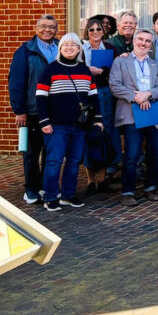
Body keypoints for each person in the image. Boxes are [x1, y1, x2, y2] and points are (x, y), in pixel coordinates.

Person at [36, 33, 102, 211]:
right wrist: (44, 122)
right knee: (54, 162)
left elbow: (93, 97)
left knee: (73, 162)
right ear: (60, 48)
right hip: (56, 126)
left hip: (79, 126)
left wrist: (98, 120)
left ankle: (68, 195)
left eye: (74, 45)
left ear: (79, 49)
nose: (69, 48)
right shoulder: (51, 69)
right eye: (66, 45)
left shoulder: (84, 70)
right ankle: (50, 197)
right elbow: (41, 97)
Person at [109, 30, 158, 207]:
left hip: (153, 112)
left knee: (157, 153)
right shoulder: (121, 61)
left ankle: (151, 187)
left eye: (147, 41)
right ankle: (128, 191)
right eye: (141, 39)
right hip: (131, 113)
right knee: (132, 154)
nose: (143, 43)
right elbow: (114, 85)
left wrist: (148, 94)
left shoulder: (156, 65)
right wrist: (136, 97)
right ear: (134, 41)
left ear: (151, 45)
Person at [9, 15, 60, 204]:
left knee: (51, 152)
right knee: (31, 153)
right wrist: (19, 110)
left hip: (56, 110)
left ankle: (47, 187)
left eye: (52, 27)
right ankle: (31, 189)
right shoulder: (25, 51)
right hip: (32, 110)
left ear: (56, 29)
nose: (48, 30)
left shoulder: (62, 47)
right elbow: (16, 82)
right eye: (44, 26)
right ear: (36, 27)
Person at [82, 17, 121, 188]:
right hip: (86, 93)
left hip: (105, 93)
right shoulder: (81, 48)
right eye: (92, 29)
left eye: (99, 29)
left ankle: (103, 178)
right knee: (89, 131)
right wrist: (87, 70)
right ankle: (90, 178)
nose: (96, 32)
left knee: (106, 131)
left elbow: (118, 69)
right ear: (87, 32)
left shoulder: (111, 48)